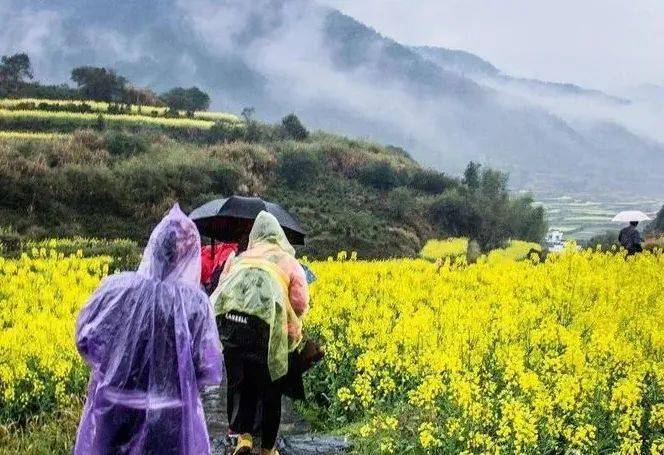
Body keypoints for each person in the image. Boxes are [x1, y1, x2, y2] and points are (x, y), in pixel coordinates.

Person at [74, 204, 223, 455]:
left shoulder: (114, 289)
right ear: (189, 255)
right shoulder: (196, 305)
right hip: (170, 416)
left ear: (152, 246)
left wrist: (116, 367)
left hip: (114, 409)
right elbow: (207, 370)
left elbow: (85, 340)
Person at [211, 211, 309, 455]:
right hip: (266, 335)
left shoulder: (242, 257)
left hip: (233, 330)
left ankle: (244, 439)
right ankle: (267, 449)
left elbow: (223, 287)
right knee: (271, 390)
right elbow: (299, 303)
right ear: (278, 235)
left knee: (243, 384)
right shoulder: (288, 261)